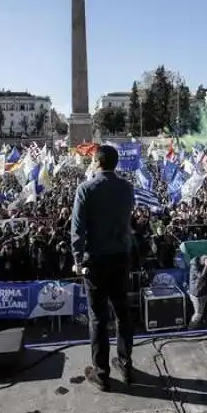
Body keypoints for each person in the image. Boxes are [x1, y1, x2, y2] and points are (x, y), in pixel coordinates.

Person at [71, 145, 135, 391]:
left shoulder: (85, 189)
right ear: (115, 164)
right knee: (123, 314)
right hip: (121, 258)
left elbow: (77, 230)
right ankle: (126, 365)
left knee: (98, 318)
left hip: (95, 261)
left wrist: (78, 260)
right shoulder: (127, 188)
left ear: (96, 163)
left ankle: (101, 373)